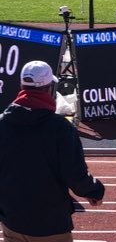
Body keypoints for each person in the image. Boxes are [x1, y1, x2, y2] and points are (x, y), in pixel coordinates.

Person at [0, 60, 105, 241]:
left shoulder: (2, 123)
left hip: (12, 218)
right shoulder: (60, 128)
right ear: (49, 88)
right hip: (50, 222)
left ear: (21, 85)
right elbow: (75, 173)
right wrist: (94, 191)